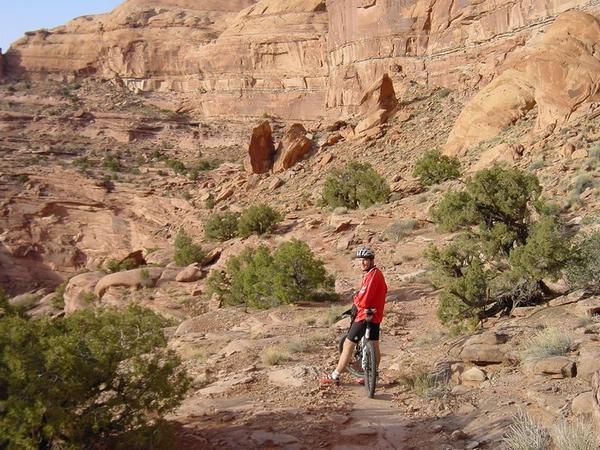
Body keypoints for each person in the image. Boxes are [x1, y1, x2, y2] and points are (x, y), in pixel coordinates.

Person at [320, 246, 388, 385]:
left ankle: (335, 376)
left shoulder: (373, 275)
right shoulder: (375, 274)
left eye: (365, 260)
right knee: (374, 346)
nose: (362, 262)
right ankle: (372, 375)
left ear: (371, 260)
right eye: (361, 260)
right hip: (375, 315)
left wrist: (356, 300)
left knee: (348, 344)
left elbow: (364, 298)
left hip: (365, 316)